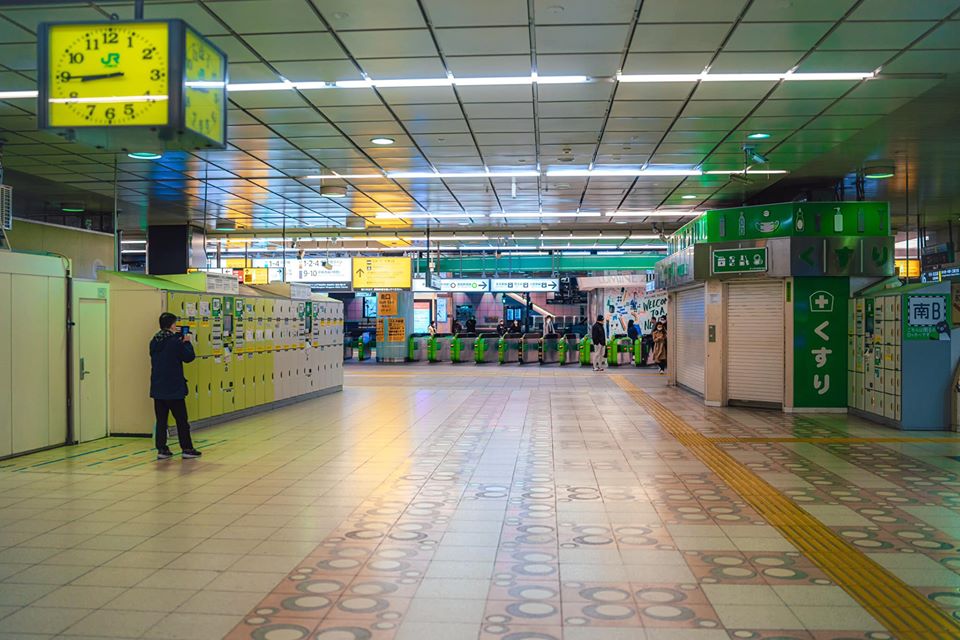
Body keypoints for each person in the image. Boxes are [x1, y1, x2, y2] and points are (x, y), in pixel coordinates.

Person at [150, 312, 202, 460]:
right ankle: (187, 448)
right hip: (173, 388)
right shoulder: (175, 341)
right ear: (172, 325)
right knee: (181, 420)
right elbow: (189, 357)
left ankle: (162, 449)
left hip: (158, 387)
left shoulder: (154, 341)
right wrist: (186, 342)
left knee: (161, 421)